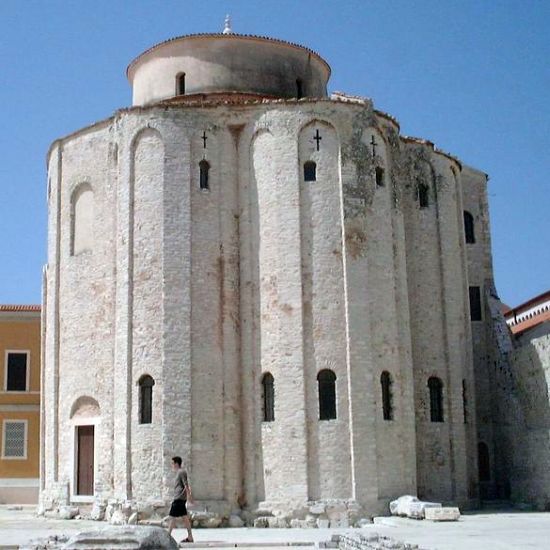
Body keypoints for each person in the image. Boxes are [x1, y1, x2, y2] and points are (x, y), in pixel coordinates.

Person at [168, 456, 194, 543]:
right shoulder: (179, 472)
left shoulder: (181, 472)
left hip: (178, 498)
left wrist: (189, 497)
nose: (171, 465)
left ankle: (167, 536)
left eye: (172, 463)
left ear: (176, 463)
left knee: (172, 517)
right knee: (185, 518)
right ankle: (190, 537)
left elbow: (186, 485)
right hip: (179, 498)